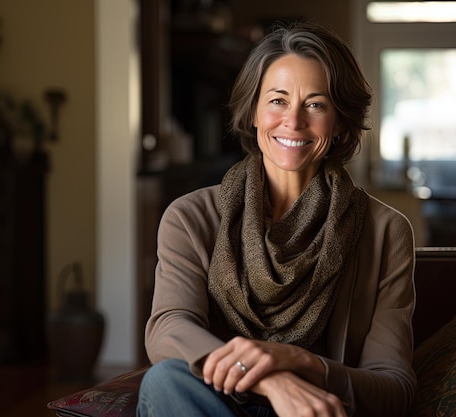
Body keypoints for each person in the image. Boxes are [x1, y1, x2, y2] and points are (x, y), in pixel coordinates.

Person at [137, 21, 416, 417]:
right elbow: (168, 330)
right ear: (253, 111)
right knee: (164, 381)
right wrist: (269, 377)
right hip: (213, 404)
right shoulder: (190, 218)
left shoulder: (386, 231)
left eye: (316, 104)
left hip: (315, 410)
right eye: (278, 100)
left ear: (338, 122)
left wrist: (296, 362)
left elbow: (394, 387)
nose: (294, 121)